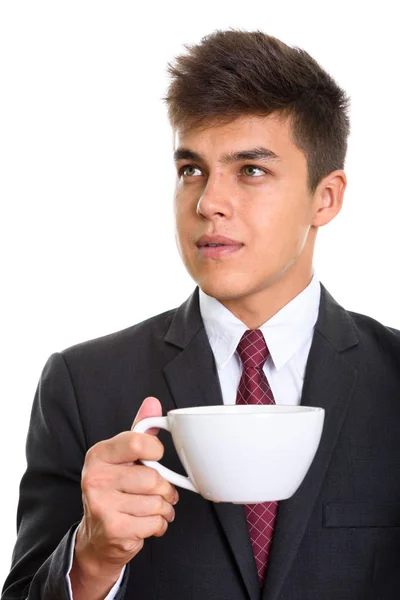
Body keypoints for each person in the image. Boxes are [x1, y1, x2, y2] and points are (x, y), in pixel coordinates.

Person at [3, 28, 400, 600]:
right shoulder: (81, 384)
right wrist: (90, 561)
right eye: (192, 169)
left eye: (251, 170)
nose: (208, 201)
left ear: (326, 197)